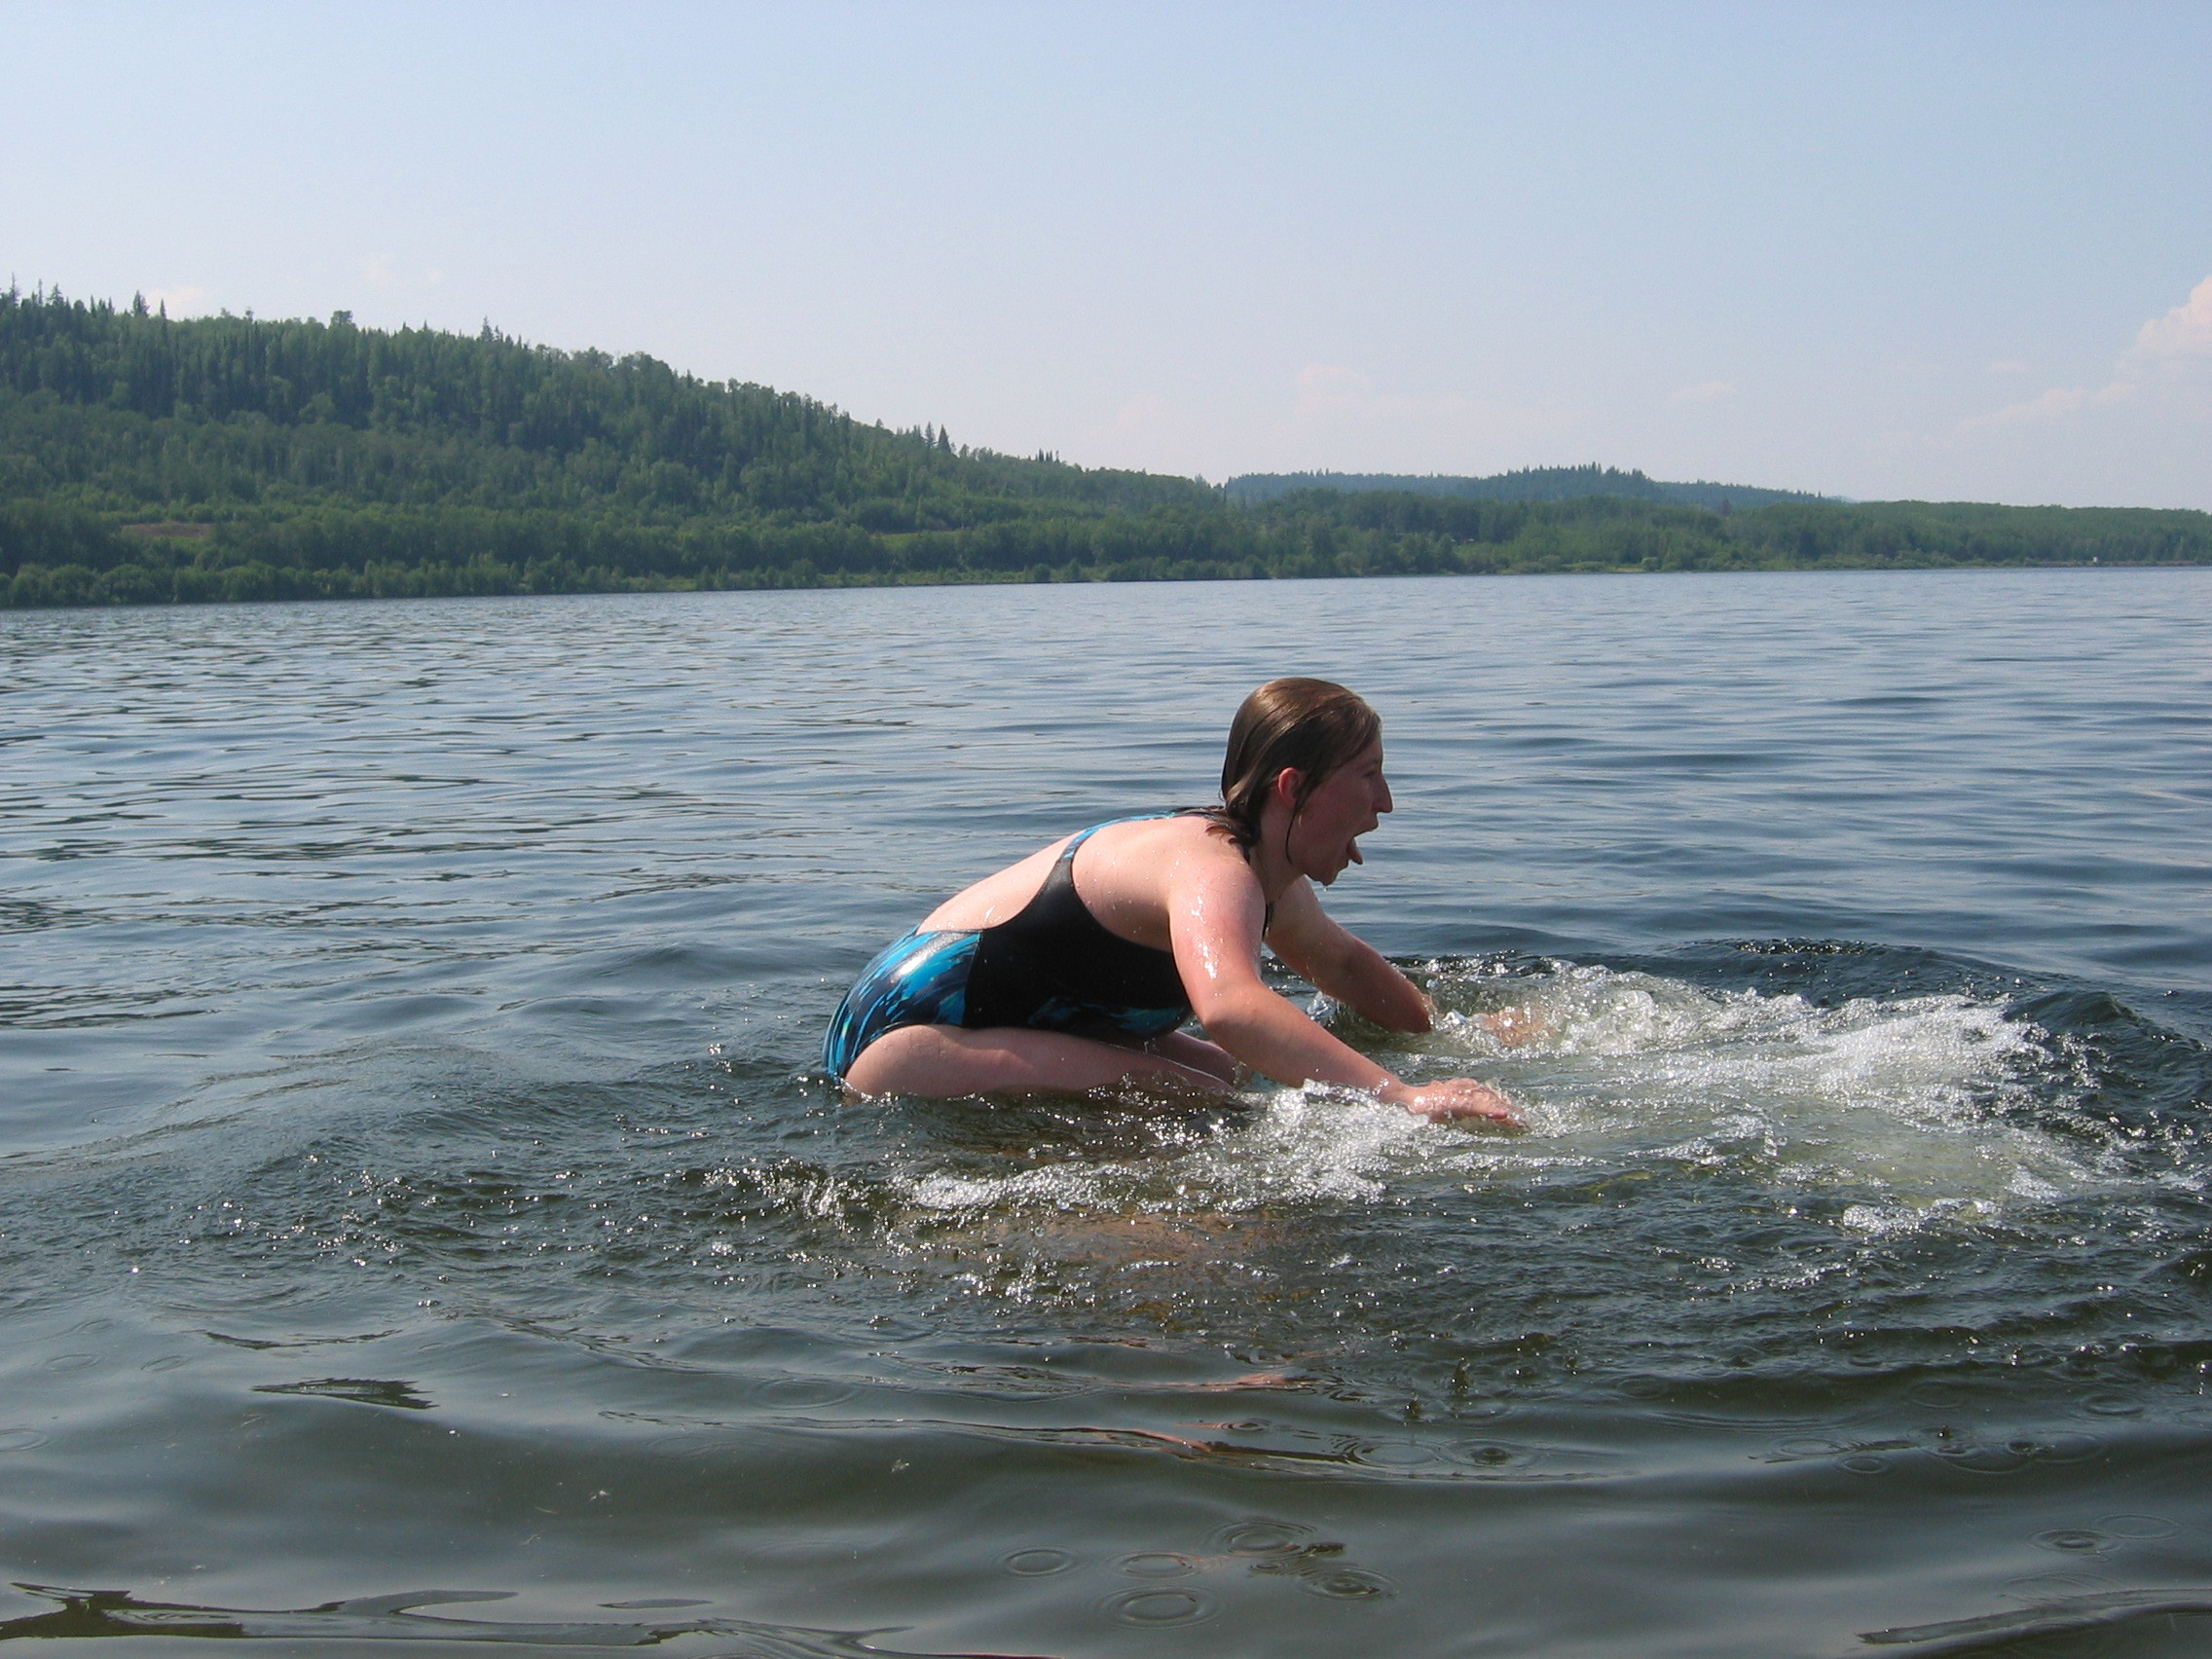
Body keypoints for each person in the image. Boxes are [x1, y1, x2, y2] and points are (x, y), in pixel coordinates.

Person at [823, 678, 1518, 1124]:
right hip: (905, 1042)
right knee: (1207, 1099)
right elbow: (1232, 1007)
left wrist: (1456, 1033)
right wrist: (1406, 1098)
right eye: (1369, 776)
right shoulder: (1212, 867)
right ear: (1292, 788)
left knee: (1221, 1072)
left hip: (965, 1033)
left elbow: (1340, 966)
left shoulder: (1266, 879)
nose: (1385, 802)